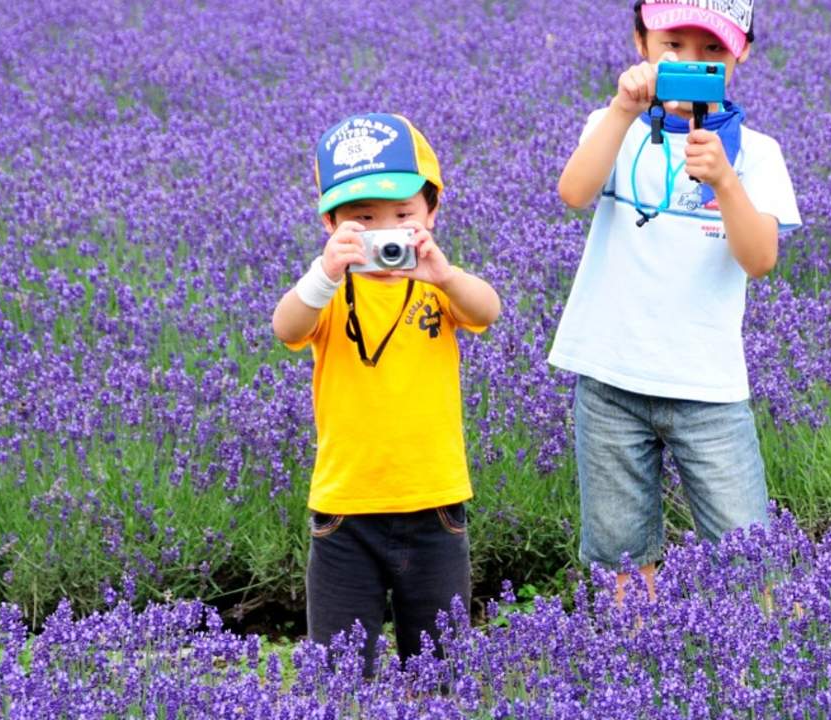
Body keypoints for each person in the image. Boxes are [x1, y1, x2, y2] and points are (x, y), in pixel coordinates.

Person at [551, 0, 802, 601]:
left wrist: (724, 180)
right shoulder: (612, 126)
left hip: (707, 388)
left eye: (712, 50)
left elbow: (760, 259)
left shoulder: (755, 152)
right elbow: (574, 192)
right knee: (622, 558)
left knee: (748, 558)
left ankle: (755, 657)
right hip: (611, 378)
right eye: (673, 46)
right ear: (641, 42)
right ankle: (635, 654)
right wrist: (623, 110)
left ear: (741, 54)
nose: (691, 61)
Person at [271, 112, 502, 670]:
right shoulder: (328, 294)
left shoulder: (438, 286)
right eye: (364, 219)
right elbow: (286, 327)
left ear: (431, 213)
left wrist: (444, 275)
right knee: (339, 672)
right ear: (331, 223)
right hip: (345, 513)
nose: (386, 231)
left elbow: (487, 310)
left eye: (403, 215)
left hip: (435, 506)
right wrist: (324, 274)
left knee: (441, 669)